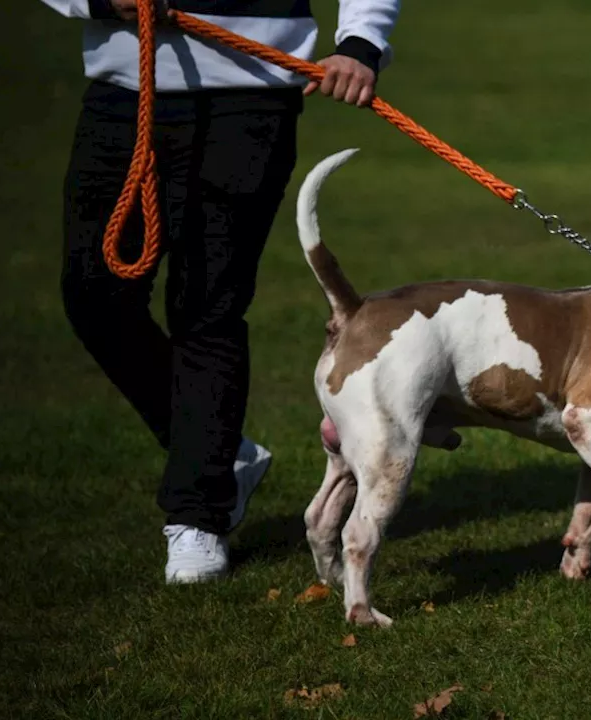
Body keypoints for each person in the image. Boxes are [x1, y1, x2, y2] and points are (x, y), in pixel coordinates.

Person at [41, 0, 400, 583]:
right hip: (121, 92)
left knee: (209, 306)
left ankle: (198, 515)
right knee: (93, 295)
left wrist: (361, 41)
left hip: (251, 97)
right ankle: (222, 451)